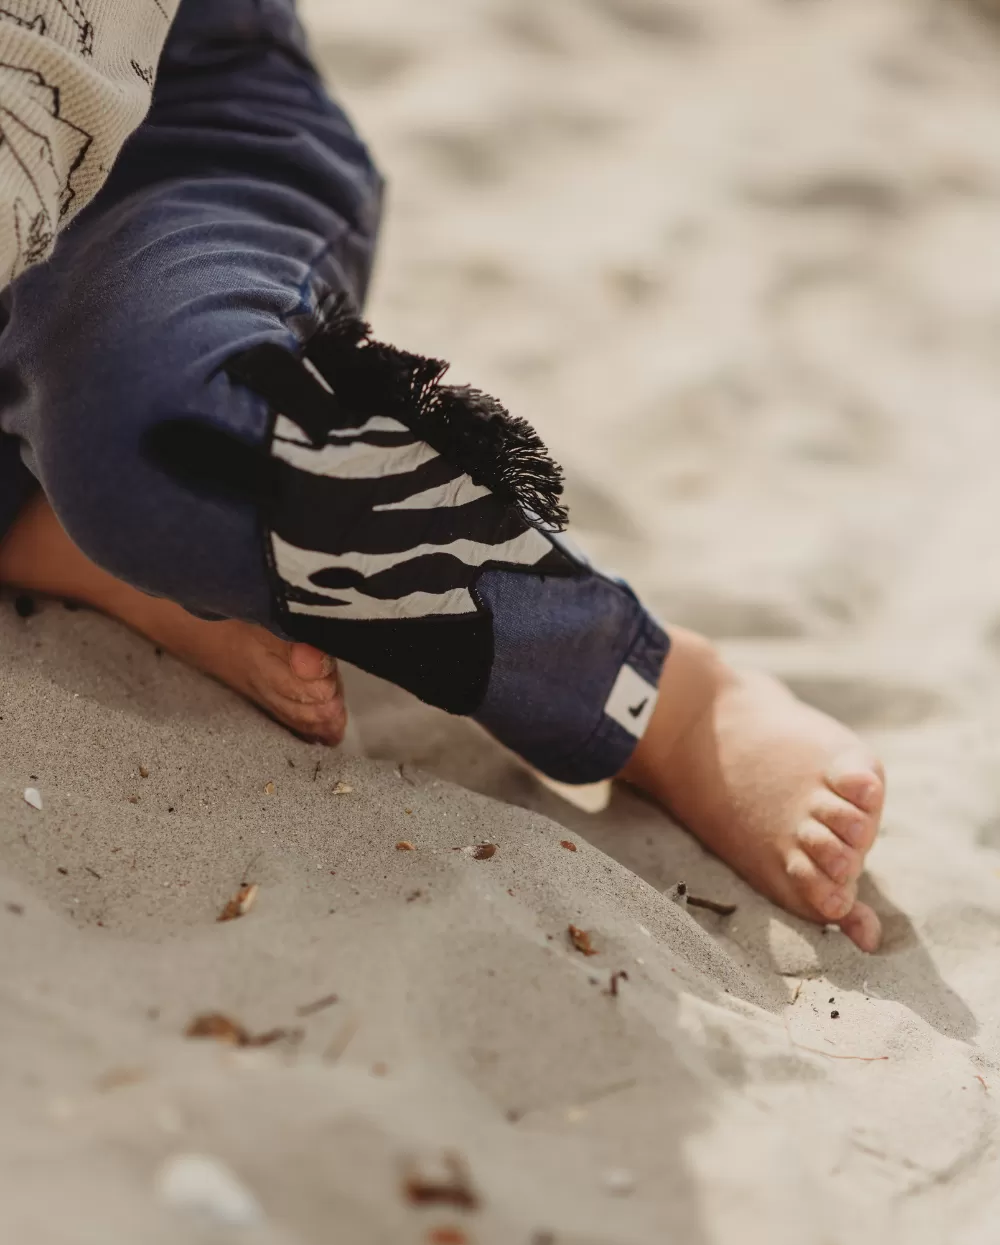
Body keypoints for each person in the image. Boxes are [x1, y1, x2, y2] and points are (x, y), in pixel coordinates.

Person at [0, 0, 886, 952]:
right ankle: (85, 546)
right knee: (136, 480)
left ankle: (656, 698)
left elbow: (50, 71)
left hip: (148, 137)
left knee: (179, 434)